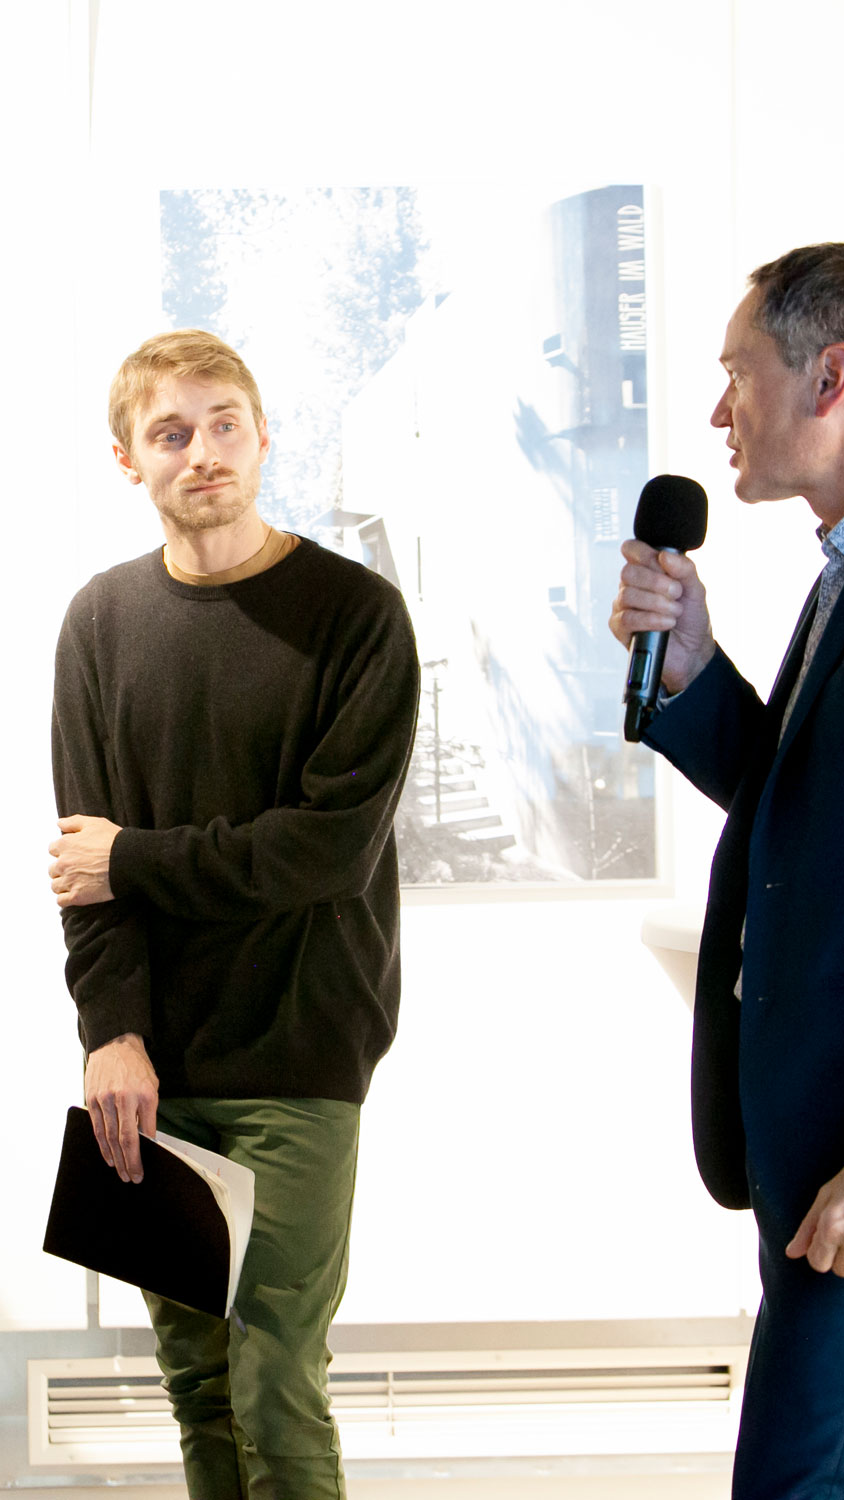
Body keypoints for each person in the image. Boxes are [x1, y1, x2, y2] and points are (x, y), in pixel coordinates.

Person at [610, 243, 844, 1498]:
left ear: (831, 378)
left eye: (738, 374)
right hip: (828, 1140)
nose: (717, 412)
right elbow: (823, 824)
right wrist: (692, 670)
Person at [47, 329, 420, 1499]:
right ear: (128, 459)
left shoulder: (356, 614)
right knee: (196, 1384)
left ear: (264, 437)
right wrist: (110, 1033)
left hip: (301, 1054)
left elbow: (326, 850)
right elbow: (82, 873)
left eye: (223, 425)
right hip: (152, 1070)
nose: (201, 451)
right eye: (171, 432)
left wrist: (135, 860)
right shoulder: (100, 621)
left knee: (273, 1381)